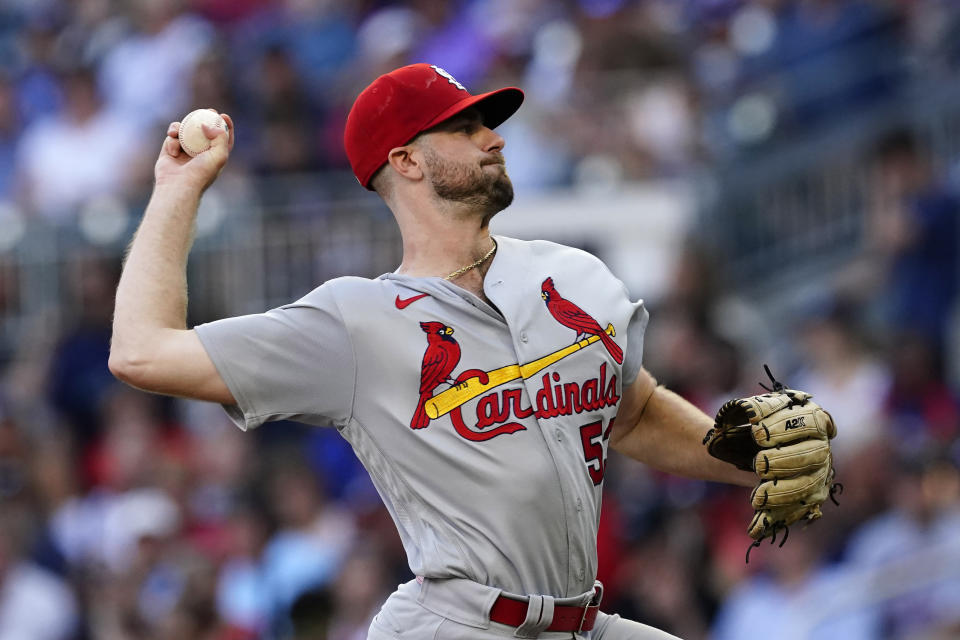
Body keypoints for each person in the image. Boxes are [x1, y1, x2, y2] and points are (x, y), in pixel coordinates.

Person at [110, 63, 758, 639]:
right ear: (407, 162)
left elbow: (633, 412)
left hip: (582, 620)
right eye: (466, 128)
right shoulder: (356, 322)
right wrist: (177, 188)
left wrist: (752, 462)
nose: (495, 138)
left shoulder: (565, 279)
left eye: (487, 125)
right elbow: (141, 352)